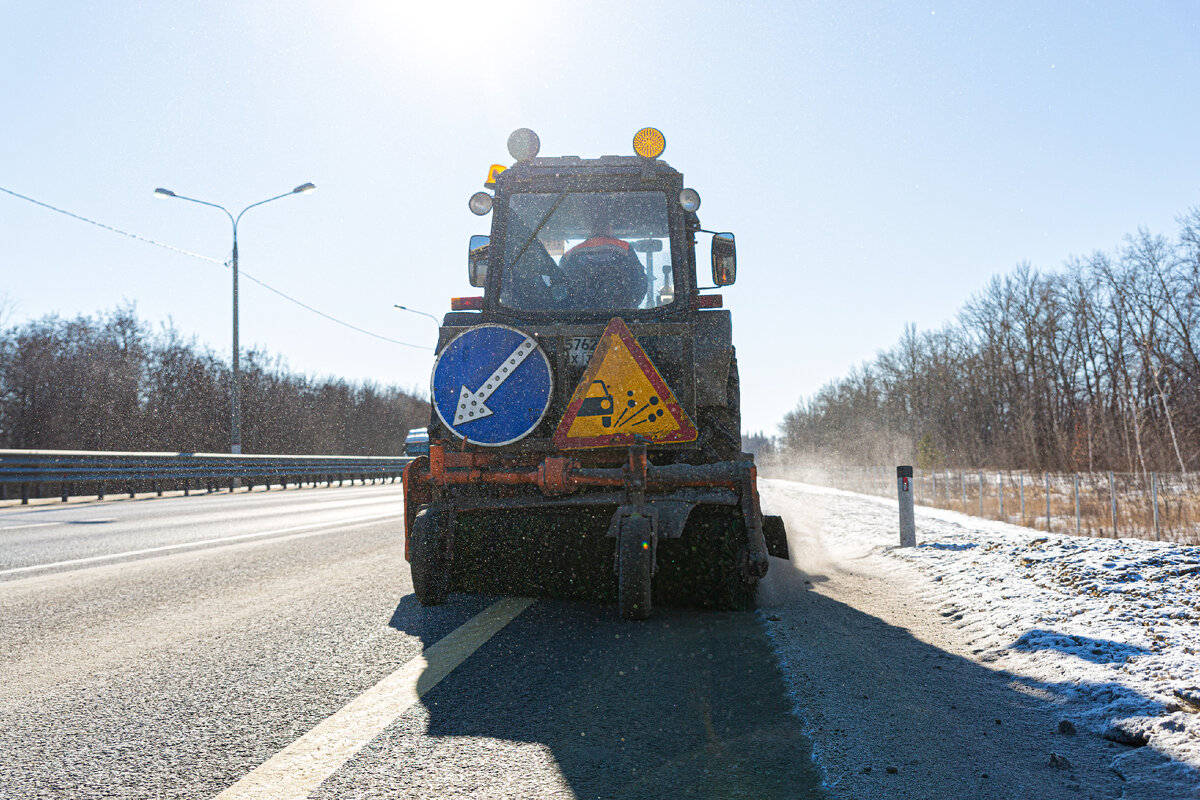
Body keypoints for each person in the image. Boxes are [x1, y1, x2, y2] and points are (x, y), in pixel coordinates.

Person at [559, 232, 647, 309]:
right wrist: (628, 309)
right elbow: (640, 282)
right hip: (621, 317)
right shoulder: (625, 249)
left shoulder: (569, 256)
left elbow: (560, 291)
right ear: (610, 228)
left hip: (578, 319)